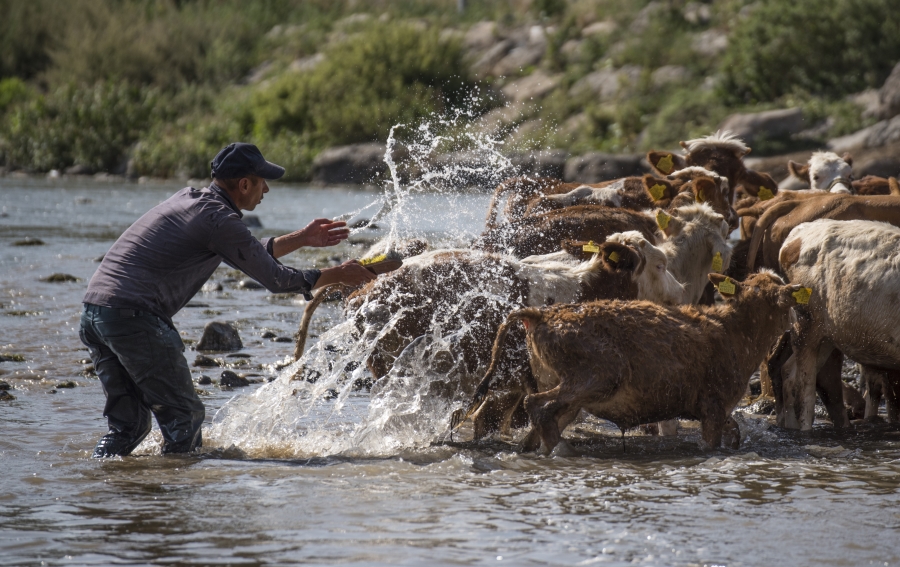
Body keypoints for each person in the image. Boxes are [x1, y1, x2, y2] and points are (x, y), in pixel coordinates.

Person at [79, 143, 375, 458]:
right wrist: (337, 274)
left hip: (96, 313)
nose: (267, 189)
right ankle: (171, 497)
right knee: (185, 417)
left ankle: (104, 487)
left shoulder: (190, 200)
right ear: (244, 184)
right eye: (262, 181)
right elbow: (274, 278)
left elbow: (244, 250)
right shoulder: (219, 219)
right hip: (134, 319)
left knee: (129, 428)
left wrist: (302, 238)